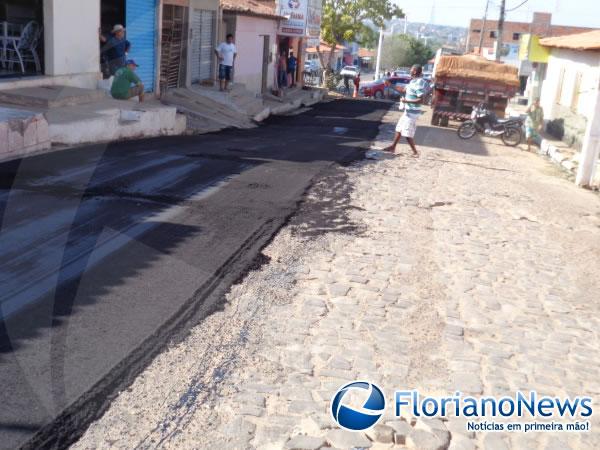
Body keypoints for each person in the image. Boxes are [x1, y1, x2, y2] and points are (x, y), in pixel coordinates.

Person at [382, 64, 427, 157]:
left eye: (411, 70)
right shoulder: (412, 82)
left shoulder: (419, 83)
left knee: (407, 133)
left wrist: (406, 100)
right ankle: (393, 147)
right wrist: (390, 85)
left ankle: (415, 152)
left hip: (412, 113)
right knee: (399, 128)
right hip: (408, 111)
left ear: (414, 71)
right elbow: (403, 90)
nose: (410, 71)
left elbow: (421, 100)